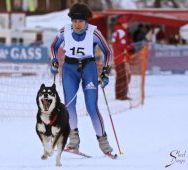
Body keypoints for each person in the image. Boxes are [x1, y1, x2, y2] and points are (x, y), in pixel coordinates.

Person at [50, 3, 114, 155]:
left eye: (80, 21)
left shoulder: (94, 33)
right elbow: (53, 46)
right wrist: (54, 61)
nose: (77, 24)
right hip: (69, 70)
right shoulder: (64, 31)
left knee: (92, 107)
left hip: (88, 69)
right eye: (74, 21)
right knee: (69, 105)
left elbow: (108, 52)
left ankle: (104, 145)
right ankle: (73, 142)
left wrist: (105, 72)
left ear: (86, 21)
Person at [112, 16, 133, 100]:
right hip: (122, 57)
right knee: (125, 77)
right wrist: (130, 46)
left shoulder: (116, 31)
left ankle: (118, 95)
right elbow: (122, 46)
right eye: (126, 23)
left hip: (117, 57)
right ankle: (122, 95)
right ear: (123, 23)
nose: (127, 25)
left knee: (119, 77)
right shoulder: (122, 32)